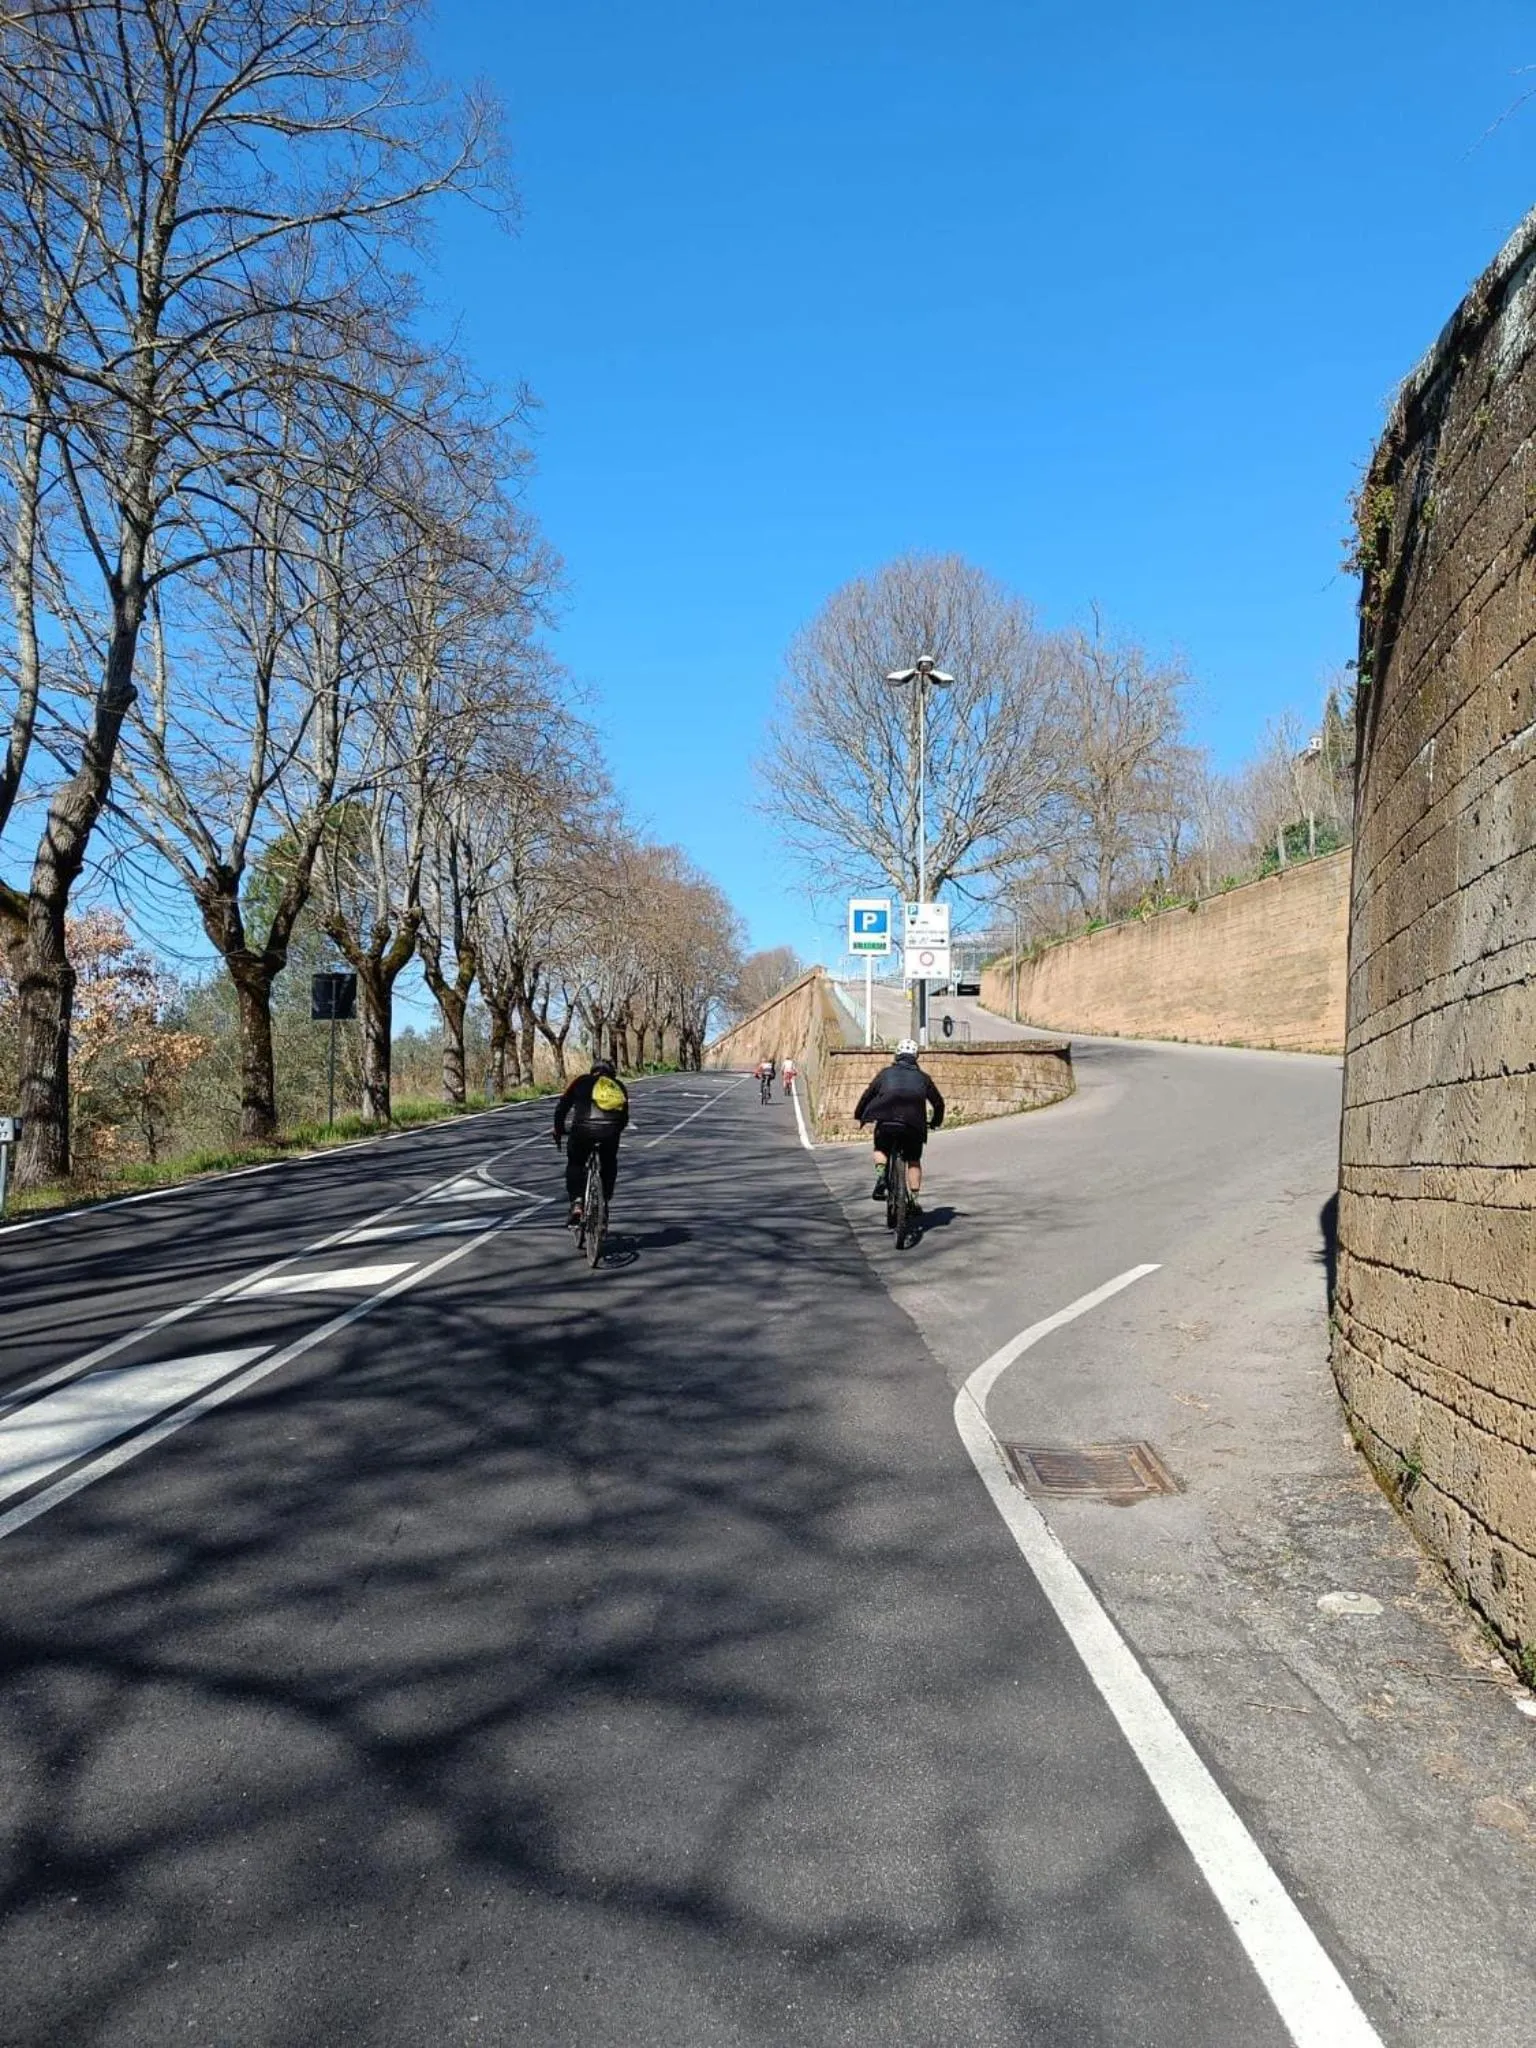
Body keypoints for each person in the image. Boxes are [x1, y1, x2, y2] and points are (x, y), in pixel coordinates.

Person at [854, 1038, 945, 1219]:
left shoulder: (885, 1074)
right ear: (916, 1057)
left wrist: (859, 1114)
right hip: (913, 1125)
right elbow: (938, 1103)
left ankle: (881, 1177)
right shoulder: (923, 1078)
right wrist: (935, 1122)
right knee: (913, 1160)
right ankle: (913, 1198)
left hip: (886, 1122)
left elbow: (867, 1095)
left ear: (897, 1056)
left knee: (881, 1148)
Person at [553, 1057, 630, 1226]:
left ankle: (577, 1203)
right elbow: (624, 1118)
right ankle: (604, 1198)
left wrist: (558, 1130)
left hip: (582, 1132)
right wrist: (614, 1132)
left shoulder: (580, 1082)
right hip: (610, 1133)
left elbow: (562, 1107)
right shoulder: (618, 1086)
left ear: (592, 1070)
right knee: (609, 1162)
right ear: (612, 1073)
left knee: (575, 1163)